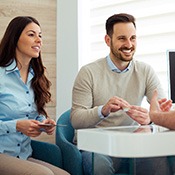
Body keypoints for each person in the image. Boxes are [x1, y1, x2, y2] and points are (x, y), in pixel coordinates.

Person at [71, 13, 172, 175]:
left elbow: (160, 110)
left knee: (158, 159)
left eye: (133, 38)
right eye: (122, 38)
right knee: (100, 166)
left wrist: (151, 118)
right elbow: (76, 119)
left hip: (131, 144)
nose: (129, 44)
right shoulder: (88, 72)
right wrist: (102, 110)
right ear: (108, 40)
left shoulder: (145, 71)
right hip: (98, 146)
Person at [0, 16, 70, 175]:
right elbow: (19, 122)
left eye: (40, 35)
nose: (38, 40)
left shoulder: (36, 78)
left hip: (23, 155)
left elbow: (31, 114)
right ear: (15, 38)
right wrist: (17, 125)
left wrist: (42, 123)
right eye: (31, 35)